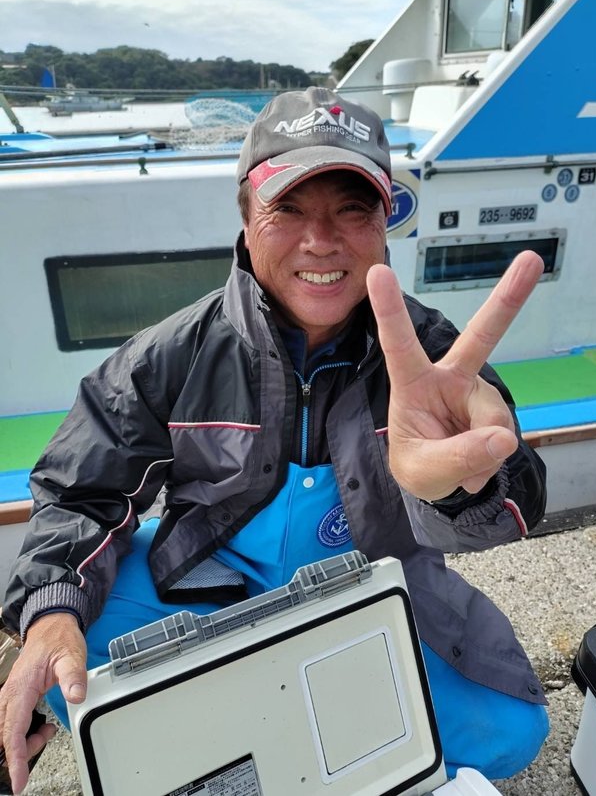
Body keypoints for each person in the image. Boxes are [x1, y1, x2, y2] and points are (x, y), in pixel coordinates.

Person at [0, 86, 548, 794]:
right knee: (62, 661)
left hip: (375, 584)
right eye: (288, 207)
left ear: (385, 222)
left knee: (513, 728)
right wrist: (50, 610)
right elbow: (80, 491)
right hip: (208, 572)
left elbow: (519, 498)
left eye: (352, 208)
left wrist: (462, 488)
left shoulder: (437, 359)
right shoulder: (168, 354)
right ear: (247, 217)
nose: (321, 240)